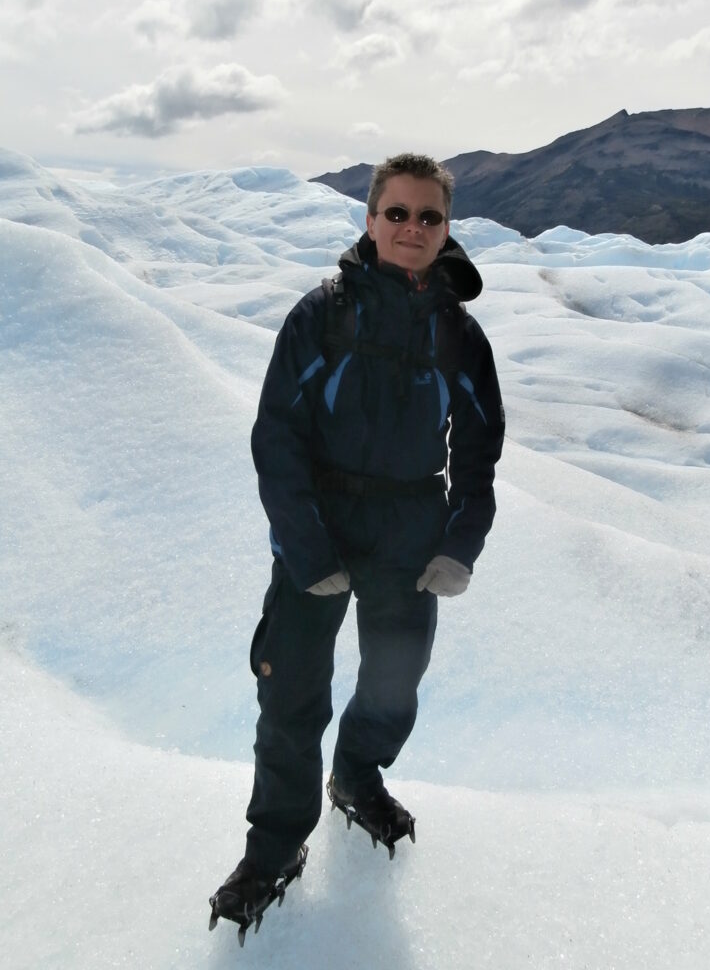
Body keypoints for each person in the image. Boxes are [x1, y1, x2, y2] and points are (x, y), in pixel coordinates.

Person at [209, 152, 504, 941]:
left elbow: (479, 453)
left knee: (393, 684)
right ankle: (273, 850)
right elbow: (276, 437)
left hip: (411, 529)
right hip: (322, 522)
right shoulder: (323, 314)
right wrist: (306, 550)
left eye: (428, 215)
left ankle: (357, 777)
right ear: (370, 219)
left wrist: (460, 543)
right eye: (397, 212)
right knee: (292, 694)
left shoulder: (459, 334)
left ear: (447, 228)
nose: (412, 227)